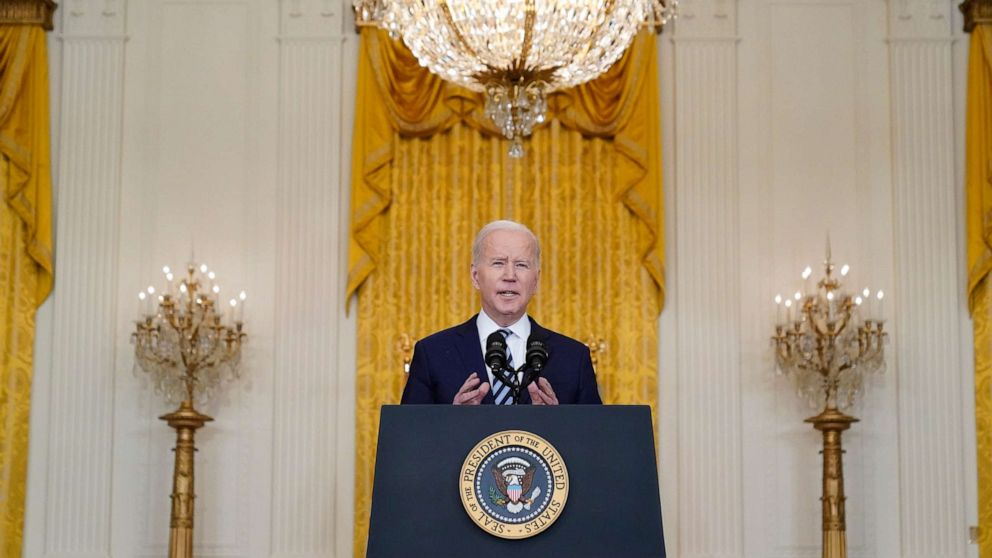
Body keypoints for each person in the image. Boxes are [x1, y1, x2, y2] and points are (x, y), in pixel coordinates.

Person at [400, 220, 602, 405]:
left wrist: (559, 423)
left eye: (521, 265)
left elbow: (595, 441)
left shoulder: (574, 358)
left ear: (536, 281)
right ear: (475, 276)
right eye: (498, 263)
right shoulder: (433, 354)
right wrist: (453, 421)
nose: (510, 275)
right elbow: (408, 439)